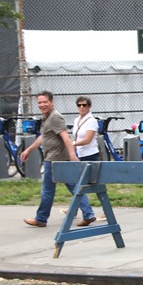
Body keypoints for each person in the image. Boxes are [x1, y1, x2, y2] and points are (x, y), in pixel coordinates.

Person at [20, 91, 97, 228]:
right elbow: (43, 137)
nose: (42, 105)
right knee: (74, 187)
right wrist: (29, 149)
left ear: (51, 102)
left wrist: (73, 155)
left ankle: (41, 218)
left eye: (45, 102)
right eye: (40, 102)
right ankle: (88, 214)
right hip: (57, 159)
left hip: (55, 160)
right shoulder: (46, 117)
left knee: (47, 190)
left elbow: (65, 137)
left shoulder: (55, 117)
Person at [71, 96, 100, 161]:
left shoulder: (92, 121)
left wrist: (72, 143)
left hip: (90, 155)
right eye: (79, 105)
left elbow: (87, 140)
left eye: (84, 105)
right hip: (79, 153)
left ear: (89, 106)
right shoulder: (76, 120)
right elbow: (76, 137)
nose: (81, 107)